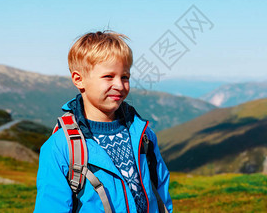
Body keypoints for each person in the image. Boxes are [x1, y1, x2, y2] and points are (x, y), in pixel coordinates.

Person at [34, 31, 173, 213]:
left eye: (125, 77)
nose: (119, 85)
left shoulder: (144, 135)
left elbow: (161, 194)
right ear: (79, 79)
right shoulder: (60, 148)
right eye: (108, 76)